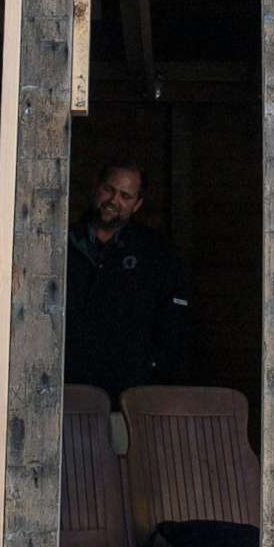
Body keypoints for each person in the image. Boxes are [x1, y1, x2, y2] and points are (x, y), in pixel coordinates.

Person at [64, 162, 190, 401]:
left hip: (127, 391)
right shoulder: (62, 240)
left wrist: (151, 367)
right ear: (96, 189)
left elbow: (173, 320)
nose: (114, 200)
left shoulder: (155, 252)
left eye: (125, 196)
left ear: (137, 205)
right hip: (68, 384)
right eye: (108, 190)